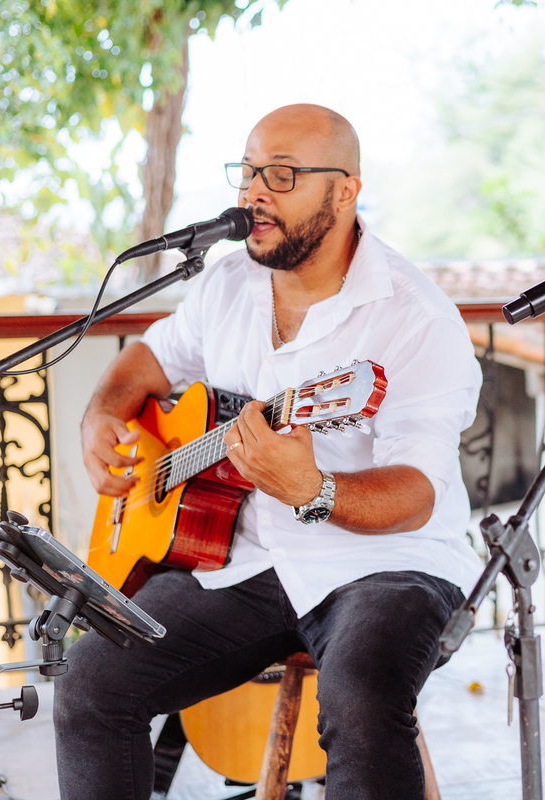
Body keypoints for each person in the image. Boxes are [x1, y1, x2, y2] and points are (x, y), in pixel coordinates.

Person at [55, 103, 484, 800]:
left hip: (385, 564)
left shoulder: (416, 317)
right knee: (89, 683)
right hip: (244, 559)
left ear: (344, 192)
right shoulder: (227, 283)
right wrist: (100, 416)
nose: (254, 192)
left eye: (281, 175)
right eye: (249, 171)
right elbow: (146, 362)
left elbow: (416, 494)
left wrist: (315, 490)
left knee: (362, 698)